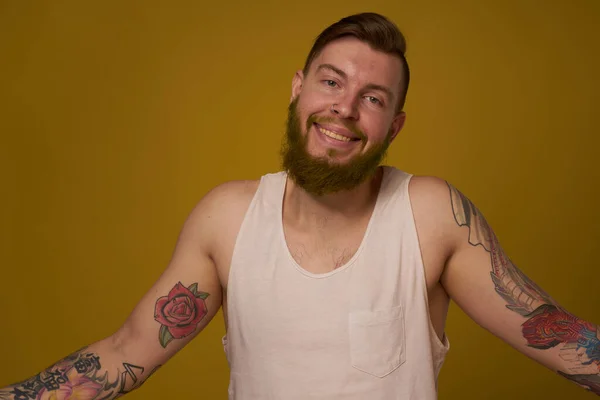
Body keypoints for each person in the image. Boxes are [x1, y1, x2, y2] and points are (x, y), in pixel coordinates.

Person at [1, 12, 598, 400]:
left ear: (394, 125)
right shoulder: (228, 218)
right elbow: (127, 351)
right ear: (298, 89)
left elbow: (549, 331)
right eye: (331, 82)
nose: (344, 108)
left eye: (372, 97)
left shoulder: (430, 215)